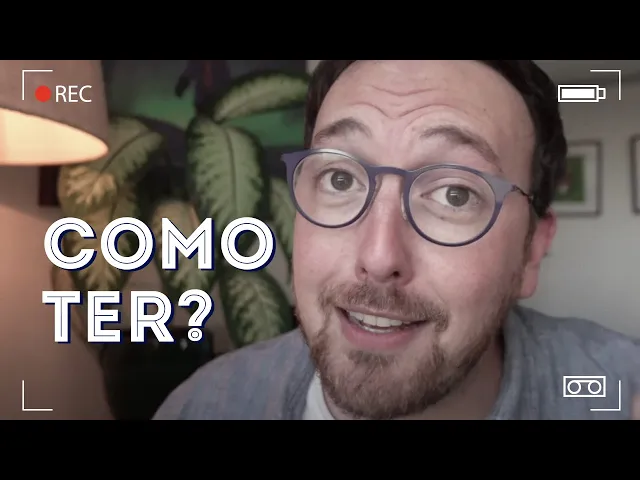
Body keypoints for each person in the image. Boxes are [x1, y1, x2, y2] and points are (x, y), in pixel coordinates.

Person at [154, 60, 640, 420]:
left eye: (454, 194)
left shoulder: (619, 390)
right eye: (340, 179)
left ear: (532, 252)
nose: (379, 255)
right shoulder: (205, 405)